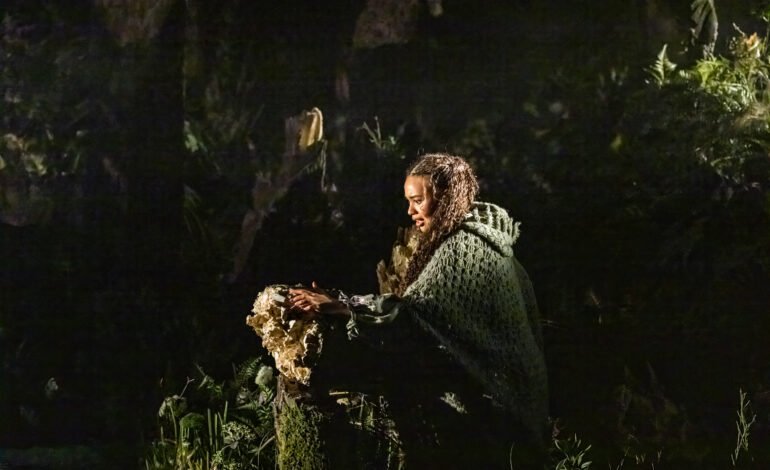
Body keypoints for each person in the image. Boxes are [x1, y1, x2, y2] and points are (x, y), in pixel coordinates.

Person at [288, 153, 548, 468]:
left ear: (445, 197)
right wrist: (339, 298)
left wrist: (342, 307)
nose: (410, 211)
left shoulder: (462, 248)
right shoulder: (488, 242)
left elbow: (413, 315)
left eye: (418, 201)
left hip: (499, 415)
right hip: (515, 402)